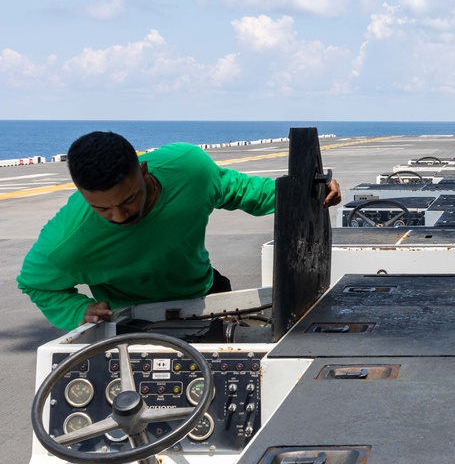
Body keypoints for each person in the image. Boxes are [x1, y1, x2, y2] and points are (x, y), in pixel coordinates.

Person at [17, 131, 342, 331]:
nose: (118, 215)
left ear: (143, 171)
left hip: (208, 295)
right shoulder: (66, 243)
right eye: (102, 208)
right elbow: (34, 283)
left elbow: (244, 190)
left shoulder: (189, 168)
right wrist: (76, 310)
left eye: (128, 199)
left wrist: (310, 192)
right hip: (136, 321)